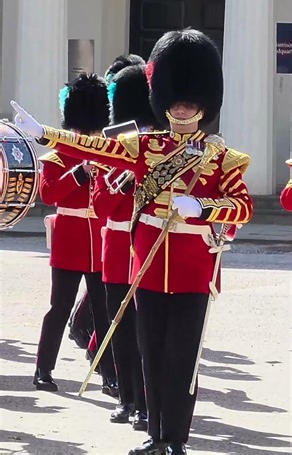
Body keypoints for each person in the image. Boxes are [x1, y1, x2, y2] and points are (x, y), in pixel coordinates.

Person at [12, 28, 253, 455]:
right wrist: (45, 133)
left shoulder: (221, 157)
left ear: (203, 105)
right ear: (164, 101)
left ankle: (177, 438)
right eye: (176, 100)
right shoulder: (142, 147)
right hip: (147, 269)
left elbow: (242, 207)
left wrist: (202, 207)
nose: (182, 107)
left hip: (194, 270)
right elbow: (91, 145)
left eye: (190, 101)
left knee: (182, 362)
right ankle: (156, 435)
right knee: (151, 356)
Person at [32, 73, 118, 397]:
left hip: (100, 242)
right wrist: (80, 173)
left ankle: (109, 374)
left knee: (104, 312)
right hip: (69, 241)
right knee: (59, 307)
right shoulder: (57, 155)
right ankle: (43, 368)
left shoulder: (108, 154)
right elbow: (49, 194)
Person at [92, 63, 163, 431]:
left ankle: (148, 405)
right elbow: (102, 206)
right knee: (118, 330)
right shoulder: (113, 151)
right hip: (115, 247)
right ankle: (126, 398)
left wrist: (138, 182)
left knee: (143, 332)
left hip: (143, 247)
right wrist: (119, 185)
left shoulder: (156, 155)